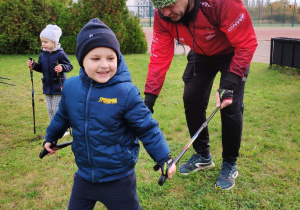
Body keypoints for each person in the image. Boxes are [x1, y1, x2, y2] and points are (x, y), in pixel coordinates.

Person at [42, 18, 176, 210]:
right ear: (82, 60)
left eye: (110, 58)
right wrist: (51, 137)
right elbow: (62, 116)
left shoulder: (126, 92)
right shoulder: (71, 87)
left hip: (119, 179)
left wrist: (164, 157)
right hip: (85, 176)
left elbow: (147, 128)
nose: (104, 65)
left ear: (118, 58)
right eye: (96, 58)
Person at [145, 0, 257, 190]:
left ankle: (230, 163)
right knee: (191, 98)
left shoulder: (219, 3)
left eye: (170, 4)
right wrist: (149, 100)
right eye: (160, 7)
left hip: (232, 52)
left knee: (229, 105)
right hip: (201, 54)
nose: (166, 12)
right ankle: (203, 155)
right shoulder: (162, 16)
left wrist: (229, 85)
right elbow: (158, 58)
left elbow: (246, 43)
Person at [27, 24, 73, 124]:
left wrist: (62, 67)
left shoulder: (60, 54)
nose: (43, 44)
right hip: (47, 87)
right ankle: (54, 128)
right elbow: (41, 68)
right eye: (42, 42)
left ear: (54, 42)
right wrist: (33, 65)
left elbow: (69, 66)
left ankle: (62, 128)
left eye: (46, 42)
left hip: (58, 86)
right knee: (50, 109)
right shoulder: (42, 55)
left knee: (56, 109)